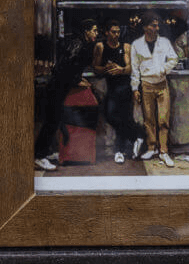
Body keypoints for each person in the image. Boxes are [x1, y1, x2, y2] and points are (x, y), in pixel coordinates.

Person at [34, 19, 99, 172]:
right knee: (52, 121)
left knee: (53, 121)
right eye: (94, 30)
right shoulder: (79, 44)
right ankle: (39, 156)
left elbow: (70, 67)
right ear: (86, 31)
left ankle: (44, 153)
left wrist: (78, 78)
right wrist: (77, 81)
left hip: (59, 86)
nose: (96, 33)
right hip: (57, 87)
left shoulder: (77, 42)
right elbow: (65, 67)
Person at [130, 13, 179, 167]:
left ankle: (163, 151)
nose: (157, 28)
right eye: (153, 25)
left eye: (157, 25)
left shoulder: (164, 42)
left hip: (162, 84)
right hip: (146, 85)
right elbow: (135, 69)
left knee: (163, 120)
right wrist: (134, 88)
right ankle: (151, 148)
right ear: (145, 27)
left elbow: (174, 58)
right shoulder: (136, 45)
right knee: (148, 120)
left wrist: (164, 69)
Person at [93, 19, 144, 164]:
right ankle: (137, 135)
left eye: (118, 32)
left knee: (124, 118)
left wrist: (120, 69)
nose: (116, 35)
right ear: (107, 32)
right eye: (113, 32)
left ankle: (119, 151)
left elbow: (130, 68)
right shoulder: (100, 46)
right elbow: (95, 67)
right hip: (112, 87)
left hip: (125, 87)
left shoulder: (126, 46)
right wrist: (106, 69)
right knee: (110, 116)